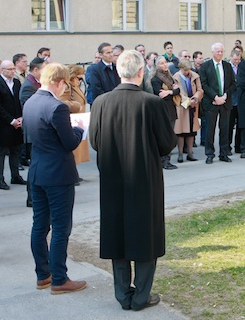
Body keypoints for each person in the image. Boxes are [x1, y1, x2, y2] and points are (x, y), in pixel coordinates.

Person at [89, 49, 176, 311]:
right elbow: (167, 143)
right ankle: (141, 295)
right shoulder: (151, 103)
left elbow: (95, 141)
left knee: (117, 233)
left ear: (119, 72)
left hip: (113, 177)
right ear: (141, 72)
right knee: (145, 234)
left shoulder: (101, 102)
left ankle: (122, 293)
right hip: (144, 178)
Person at [23, 62, 87, 294]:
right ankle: (59, 278)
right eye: (65, 85)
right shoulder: (56, 107)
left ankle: (43, 275)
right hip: (58, 173)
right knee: (60, 227)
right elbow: (69, 142)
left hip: (38, 170)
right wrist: (79, 128)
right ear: (60, 82)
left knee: (40, 225)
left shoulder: (30, 102)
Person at [0, 60, 26, 190]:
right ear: (2, 70)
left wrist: (20, 118)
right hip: (4, 123)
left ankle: (15, 175)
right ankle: (0, 179)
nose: (12, 71)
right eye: (9, 69)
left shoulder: (16, 83)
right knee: (3, 150)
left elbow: (19, 101)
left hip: (17, 121)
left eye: (13, 69)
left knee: (16, 149)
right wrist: (11, 120)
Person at [200, 43, 237, 164]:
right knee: (210, 129)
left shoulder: (227, 66)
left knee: (225, 128)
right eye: (218, 51)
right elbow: (204, 84)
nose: (220, 54)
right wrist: (215, 97)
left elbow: (233, 83)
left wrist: (225, 95)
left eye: (222, 51)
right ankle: (210, 154)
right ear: (213, 52)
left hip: (225, 102)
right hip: (211, 102)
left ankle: (224, 153)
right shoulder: (205, 66)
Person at [58, 65, 90, 172]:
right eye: (79, 78)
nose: (80, 81)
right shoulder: (68, 86)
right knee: (73, 150)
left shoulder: (75, 86)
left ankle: (73, 172)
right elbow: (61, 102)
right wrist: (76, 106)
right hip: (72, 120)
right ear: (73, 76)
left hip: (78, 119)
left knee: (77, 150)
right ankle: (70, 172)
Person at [151, 56, 181, 170]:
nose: (165, 65)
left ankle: (167, 160)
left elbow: (178, 90)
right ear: (157, 66)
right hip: (162, 110)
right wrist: (172, 91)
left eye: (165, 62)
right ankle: (162, 160)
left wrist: (169, 92)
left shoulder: (170, 77)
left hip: (171, 109)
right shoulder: (155, 79)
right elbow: (160, 94)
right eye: (161, 63)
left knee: (170, 135)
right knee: (163, 136)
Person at [172, 59, 203, 163]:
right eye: (184, 70)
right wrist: (188, 101)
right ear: (180, 68)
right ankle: (180, 154)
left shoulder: (195, 76)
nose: (187, 72)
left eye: (188, 69)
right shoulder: (176, 77)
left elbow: (200, 90)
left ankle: (190, 153)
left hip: (193, 106)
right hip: (182, 106)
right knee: (181, 131)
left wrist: (195, 98)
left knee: (191, 131)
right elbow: (177, 93)